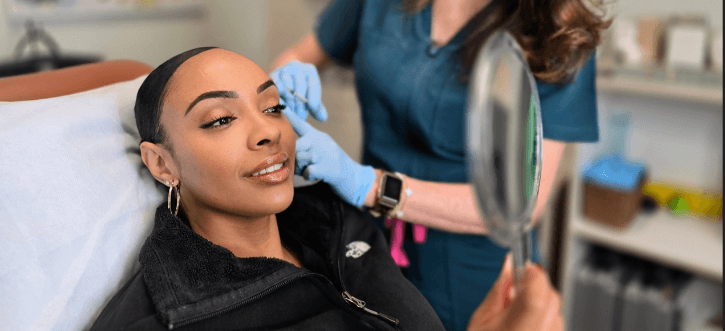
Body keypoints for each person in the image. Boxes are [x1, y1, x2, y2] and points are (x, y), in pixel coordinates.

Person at [89, 47, 562, 331]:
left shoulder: (341, 224)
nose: (268, 132)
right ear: (161, 163)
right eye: (221, 119)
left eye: (272, 107)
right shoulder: (165, 321)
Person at [271, 0, 610, 329]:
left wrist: (372, 187)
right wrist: (284, 82)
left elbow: (526, 201)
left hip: (471, 273)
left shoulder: (561, 29)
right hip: (368, 248)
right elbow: (301, 55)